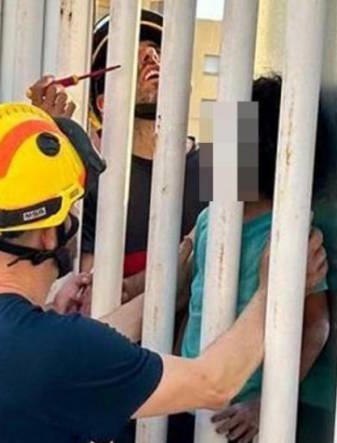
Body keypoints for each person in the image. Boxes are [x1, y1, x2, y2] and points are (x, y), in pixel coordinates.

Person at [0, 102, 328, 443]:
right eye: (70, 209)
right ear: (50, 234)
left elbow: (66, 351)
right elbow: (214, 383)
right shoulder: (57, 350)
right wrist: (274, 288)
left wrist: (167, 286)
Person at [175, 75, 332, 443]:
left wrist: (266, 404)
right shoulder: (211, 218)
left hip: (240, 421)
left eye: (227, 133)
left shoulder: (290, 235)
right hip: (187, 400)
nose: (216, 147)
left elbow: (316, 325)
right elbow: (192, 303)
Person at [28, 9, 206, 304]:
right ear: (104, 102)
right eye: (135, 55)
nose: (152, 57)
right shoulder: (94, 178)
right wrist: (43, 141)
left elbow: (253, 256)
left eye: (158, 51)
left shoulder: (226, 152)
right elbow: (95, 293)